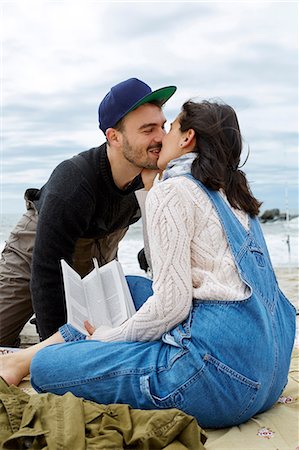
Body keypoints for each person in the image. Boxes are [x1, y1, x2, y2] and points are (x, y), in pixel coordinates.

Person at [0, 100, 296, 429]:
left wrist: (106, 338)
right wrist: (150, 190)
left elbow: (171, 302)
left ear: (187, 139)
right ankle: (41, 349)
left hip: (217, 381)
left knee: (46, 369)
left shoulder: (173, 191)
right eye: (151, 129)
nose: (160, 137)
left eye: (168, 128)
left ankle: (31, 358)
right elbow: (164, 277)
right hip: (267, 373)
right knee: (126, 287)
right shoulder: (233, 192)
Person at [0, 77, 176, 346]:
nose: (161, 138)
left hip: (98, 253)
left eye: (162, 126)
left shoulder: (152, 176)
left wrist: (154, 194)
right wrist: (55, 356)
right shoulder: (73, 183)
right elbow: (47, 271)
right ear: (113, 137)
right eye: (147, 129)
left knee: (107, 338)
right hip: (36, 250)